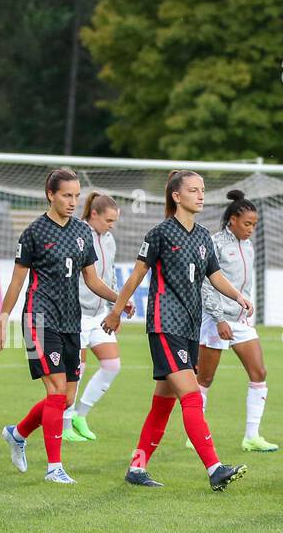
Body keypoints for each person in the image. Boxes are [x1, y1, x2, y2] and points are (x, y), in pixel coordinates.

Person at [102, 170, 250, 490]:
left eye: (203, 190)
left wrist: (238, 295)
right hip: (164, 324)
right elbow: (136, 276)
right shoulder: (160, 234)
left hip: (189, 327)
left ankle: (137, 469)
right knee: (191, 394)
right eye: (194, 190)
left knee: (162, 404)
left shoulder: (202, 236)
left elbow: (215, 275)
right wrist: (116, 311)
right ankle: (214, 468)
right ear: (176, 196)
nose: (201, 195)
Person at [0, 168, 128, 484]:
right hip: (39, 320)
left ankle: (18, 433)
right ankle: (54, 467)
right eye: (67, 195)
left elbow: (92, 280)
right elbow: (16, 283)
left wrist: (119, 298)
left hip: (72, 321)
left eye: (76, 195)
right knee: (55, 392)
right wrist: (0, 323)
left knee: (65, 399)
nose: (72, 201)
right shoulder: (33, 233)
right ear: (50, 194)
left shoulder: (82, 233)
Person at [194, 189, 277, 453]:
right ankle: (195, 432)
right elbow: (206, 284)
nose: (251, 229)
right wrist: (219, 318)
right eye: (247, 223)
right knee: (205, 379)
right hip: (215, 320)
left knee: (259, 373)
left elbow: (242, 282)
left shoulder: (249, 246)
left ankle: (252, 436)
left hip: (241, 321)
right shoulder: (215, 243)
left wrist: (245, 302)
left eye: (254, 224)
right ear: (232, 220)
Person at [63, 192, 121, 442]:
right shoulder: (78, 235)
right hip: (76, 315)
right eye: (108, 220)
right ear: (94, 214)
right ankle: (65, 427)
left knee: (112, 365)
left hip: (99, 315)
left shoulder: (109, 240)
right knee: (77, 370)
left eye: (114, 222)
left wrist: (115, 302)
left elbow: (110, 275)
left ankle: (80, 415)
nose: (111, 226)